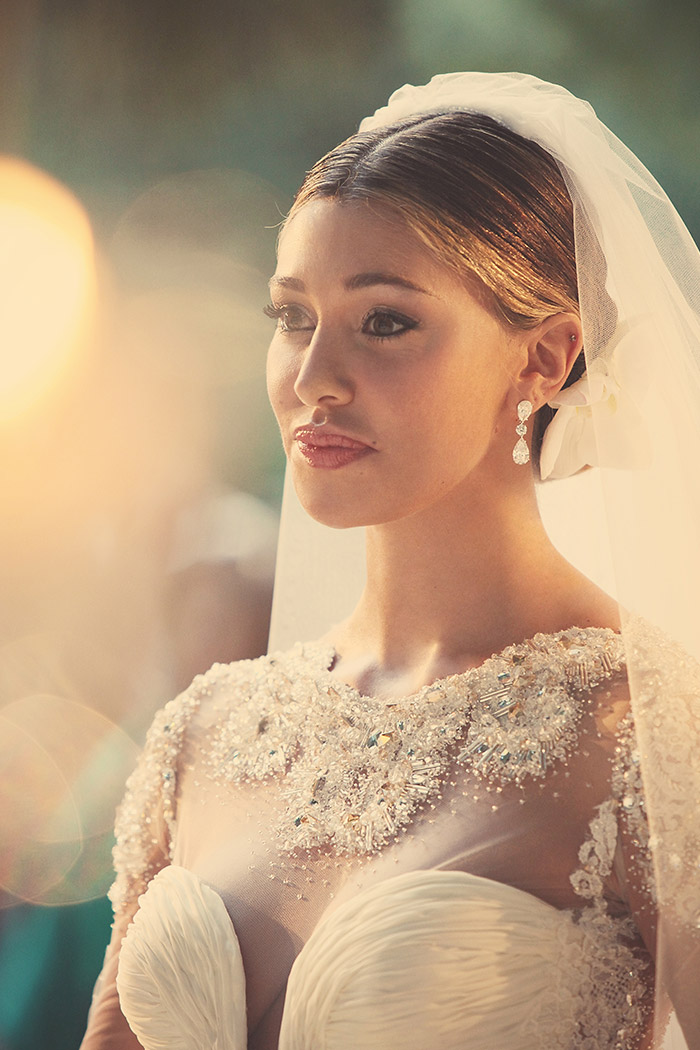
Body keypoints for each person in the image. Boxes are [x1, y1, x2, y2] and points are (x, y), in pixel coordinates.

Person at [80, 73, 700, 1050]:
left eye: (384, 321)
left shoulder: (654, 737)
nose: (312, 378)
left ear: (544, 357)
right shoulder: (205, 730)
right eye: (293, 318)